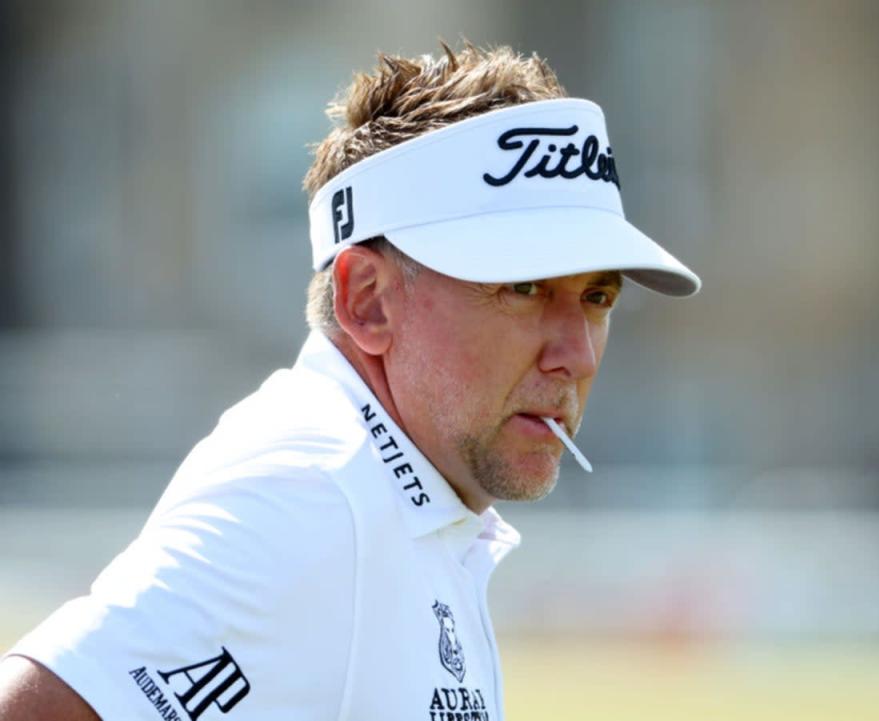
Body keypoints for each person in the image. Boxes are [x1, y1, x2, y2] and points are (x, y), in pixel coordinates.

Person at [0, 43, 699, 720]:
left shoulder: (399, 499)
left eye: (598, 297)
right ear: (368, 300)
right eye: (521, 286)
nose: (574, 352)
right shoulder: (314, 495)